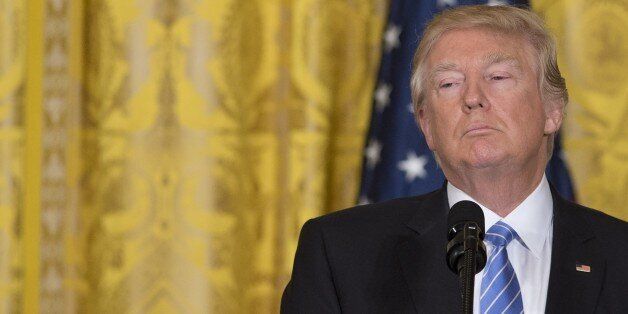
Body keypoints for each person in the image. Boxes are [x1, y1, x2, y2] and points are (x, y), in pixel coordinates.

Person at [281, 5, 628, 313]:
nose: (473, 98)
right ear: (426, 125)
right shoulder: (341, 253)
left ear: (553, 110)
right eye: (449, 84)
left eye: (498, 77)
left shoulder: (620, 256)